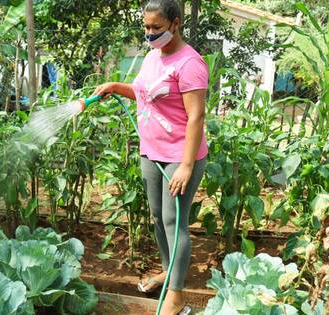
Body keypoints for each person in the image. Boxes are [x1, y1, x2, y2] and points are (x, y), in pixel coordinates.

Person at [93, 0, 208, 314]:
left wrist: (186, 166)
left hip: (180, 156)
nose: (149, 33)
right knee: (158, 218)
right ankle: (168, 271)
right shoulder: (151, 57)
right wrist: (117, 87)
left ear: (175, 24)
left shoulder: (190, 63)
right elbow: (145, 92)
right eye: (146, 27)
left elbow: (196, 117)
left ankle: (176, 295)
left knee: (174, 222)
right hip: (152, 151)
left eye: (156, 27)